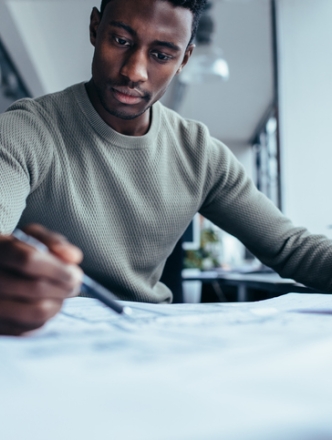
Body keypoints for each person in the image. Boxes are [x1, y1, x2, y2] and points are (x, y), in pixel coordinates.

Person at [1, 0, 332, 336]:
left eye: (161, 55)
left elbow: (291, 247)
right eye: (120, 41)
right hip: (44, 337)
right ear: (94, 28)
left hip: (151, 340)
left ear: (184, 60)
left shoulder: (199, 154)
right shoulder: (26, 130)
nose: (134, 72)